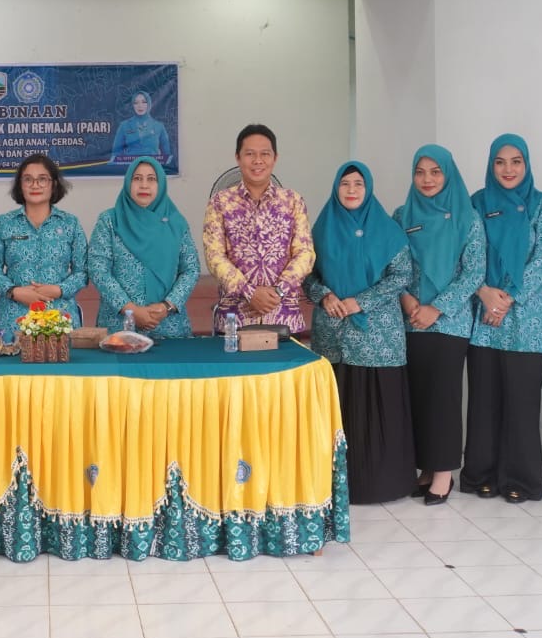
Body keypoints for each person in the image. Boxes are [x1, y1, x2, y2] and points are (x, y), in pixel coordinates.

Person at [304, 161, 414, 504]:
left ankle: (382, 485)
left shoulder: (388, 230)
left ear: (368, 189)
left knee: (376, 409)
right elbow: (307, 276)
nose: (351, 190)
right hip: (333, 334)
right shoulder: (321, 229)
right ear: (336, 188)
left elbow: (402, 276)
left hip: (378, 338)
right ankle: (336, 486)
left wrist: (360, 301)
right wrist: (325, 296)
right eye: (345, 183)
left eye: (358, 184)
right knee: (338, 408)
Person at [462, 135, 542, 504]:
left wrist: (507, 298)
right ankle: (481, 475)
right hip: (484, 314)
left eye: (516, 161)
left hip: (527, 318)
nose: (508, 169)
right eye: (500, 162)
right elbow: (467, 253)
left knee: (522, 402)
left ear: (526, 164)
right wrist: (484, 292)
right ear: (491, 165)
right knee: (484, 400)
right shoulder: (477, 203)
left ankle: (522, 479)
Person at [394, 145, 485, 505]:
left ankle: (444, 473)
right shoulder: (401, 215)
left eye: (435, 172)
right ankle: (426, 468)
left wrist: (438, 308)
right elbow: (392, 265)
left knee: (442, 398)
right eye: (420, 172)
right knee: (417, 397)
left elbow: (473, 272)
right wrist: (407, 300)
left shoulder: (467, 217)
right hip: (411, 321)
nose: (427, 179)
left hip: (450, 323)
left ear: (448, 174)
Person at [203, 123, 314, 334]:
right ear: (238, 158)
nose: (257, 160)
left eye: (265, 154)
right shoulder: (220, 202)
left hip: (284, 318)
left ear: (275, 158)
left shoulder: (292, 201)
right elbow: (214, 256)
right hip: (235, 320)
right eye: (250, 154)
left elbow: (305, 253)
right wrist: (249, 292)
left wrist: (278, 292)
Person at [87, 156, 199, 337]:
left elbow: (191, 269)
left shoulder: (176, 223)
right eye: (137, 179)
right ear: (128, 183)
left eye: (151, 179)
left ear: (160, 184)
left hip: (168, 326)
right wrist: (130, 309)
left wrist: (167, 306)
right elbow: (98, 269)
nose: (144, 185)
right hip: (119, 327)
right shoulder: (109, 221)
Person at [0, 153, 88, 331]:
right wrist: (14, 291)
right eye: (28, 179)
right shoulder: (4, 223)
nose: (35, 185)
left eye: (42, 179)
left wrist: (59, 289)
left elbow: (83, 272)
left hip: (59, 319)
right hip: (13, 319)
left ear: (54, 184)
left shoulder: (70, 224)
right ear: (20, 185)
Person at [110, 90, 172, 165]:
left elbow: (167, 156)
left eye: (144, 102)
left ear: (149, 103)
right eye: (136, 103)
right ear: (132, 105)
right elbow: (116, 153)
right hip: (130, 168)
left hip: (152, 168)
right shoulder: (124, 125)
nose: (140, 106)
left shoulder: (159, 126)